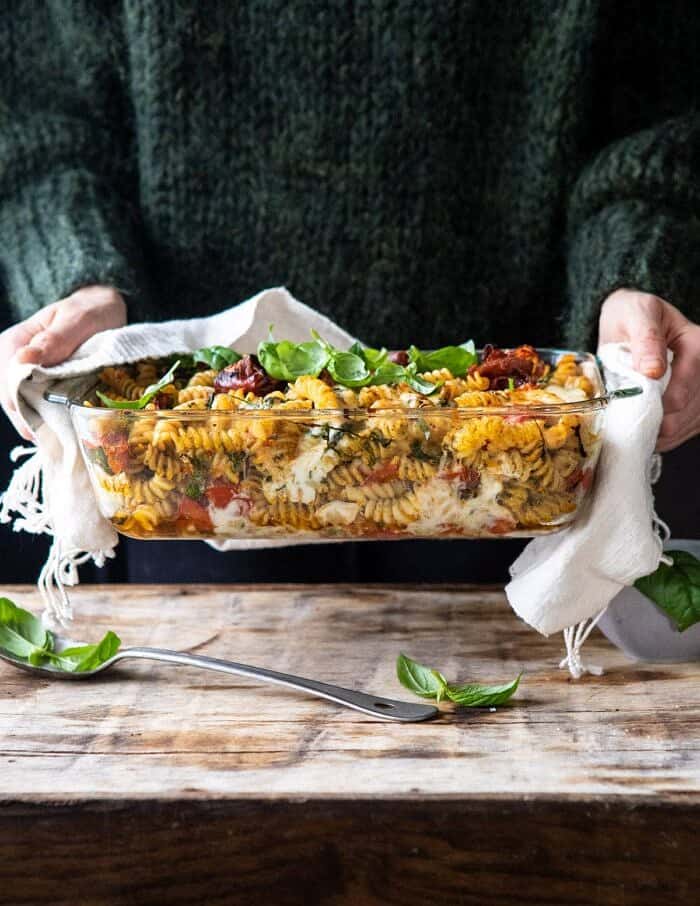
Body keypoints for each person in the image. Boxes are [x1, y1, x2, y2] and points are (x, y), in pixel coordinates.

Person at [0, 2, 698, 583]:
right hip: (198, 466)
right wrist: (80, 277)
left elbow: (664, 107)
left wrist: (641, 268)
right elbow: (42, 117)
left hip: (534, 473)